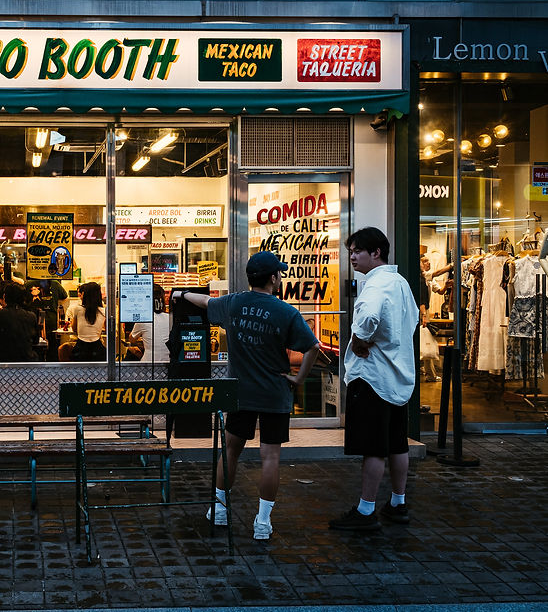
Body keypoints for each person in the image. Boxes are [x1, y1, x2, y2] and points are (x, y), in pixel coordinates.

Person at [177, 251, 320, 541]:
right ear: (272, 278)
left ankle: (218, 510)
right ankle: (263, 523)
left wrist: (181, 292)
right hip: (274, 393)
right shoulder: (286, 312)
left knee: (231, 450)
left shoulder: (233, 303)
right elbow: (312, 347)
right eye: (278, 273)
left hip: (240, 391)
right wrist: (298, 378)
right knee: (270, 457)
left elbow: (204, 302)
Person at [329, 227, 417, 531]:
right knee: (397, 443)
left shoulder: (376, 285)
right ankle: (398, 502)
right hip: (399, 376)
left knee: (374, 447)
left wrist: (358, 339)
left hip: (372, 378)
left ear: (375, 252)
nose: (352, 257)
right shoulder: (401, 282)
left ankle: (366, 511)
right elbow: (414, 320)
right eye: (351, 251)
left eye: (357, 251)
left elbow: (367, 318)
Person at [0, 283, 39, 362]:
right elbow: (36, 341)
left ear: (5, 297)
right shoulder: (31, 316)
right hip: (26, 361)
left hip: (2, 362)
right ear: (23, 298)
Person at [28, 279, 68, 361]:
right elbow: (65, 298)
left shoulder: (29, 284)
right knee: (53, 348)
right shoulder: (55, 283)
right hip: (50, 320)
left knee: (36, 346)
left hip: (34, 320)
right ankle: (53, 369)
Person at [129, 284, 170, 362]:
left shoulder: (144, 318)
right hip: (168, 362)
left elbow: (132, 339)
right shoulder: (170, 318)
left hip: (149, 363)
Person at [69, 281, 106, 361]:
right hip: (98, 351)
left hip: (80, 350)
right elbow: (106, 329)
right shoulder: (103, 311)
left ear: (85, 295)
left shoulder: (78, 309)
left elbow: (74, 329)